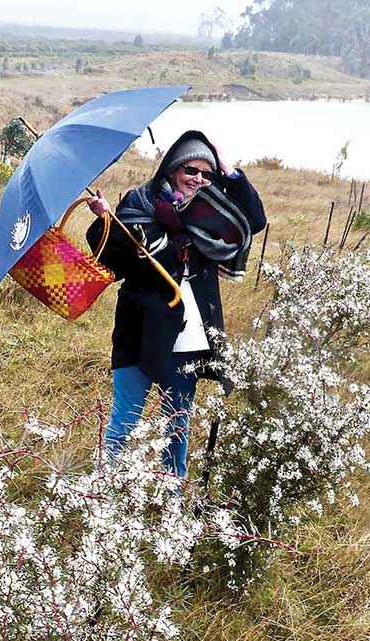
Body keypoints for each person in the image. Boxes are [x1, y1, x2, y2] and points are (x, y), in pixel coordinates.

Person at [87, 131, 267, 477]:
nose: (198, 179)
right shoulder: (138, 204)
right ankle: (105, 487)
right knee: (126, 414)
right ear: (172, 168)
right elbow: (113, 262)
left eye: (206, 173)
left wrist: (228, 170)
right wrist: (106, 221)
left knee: (177, 421)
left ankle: (171, 493)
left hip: (189, 334)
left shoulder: (209, 213)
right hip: (139, 329)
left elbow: (255, 220)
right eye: (191, 170)